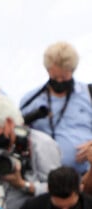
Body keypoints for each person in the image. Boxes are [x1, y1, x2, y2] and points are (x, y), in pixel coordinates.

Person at [20, 41, 92, 175]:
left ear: (73, 70)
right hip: (46, 179)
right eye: (54, 77)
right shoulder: (30, 100)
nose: (59, 81)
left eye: (64, 77)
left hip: (87, 177)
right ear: (48, 71)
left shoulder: (89, 93)